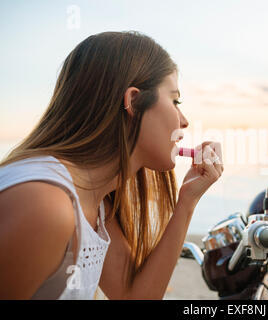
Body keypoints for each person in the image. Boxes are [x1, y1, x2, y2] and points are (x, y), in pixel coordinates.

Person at [0, 31, 224, 299]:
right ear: (133, 101)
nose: (184, 120)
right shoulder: (46, 205)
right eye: (175, 101)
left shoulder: (96, 205)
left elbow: (133, 297)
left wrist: (187, 201)